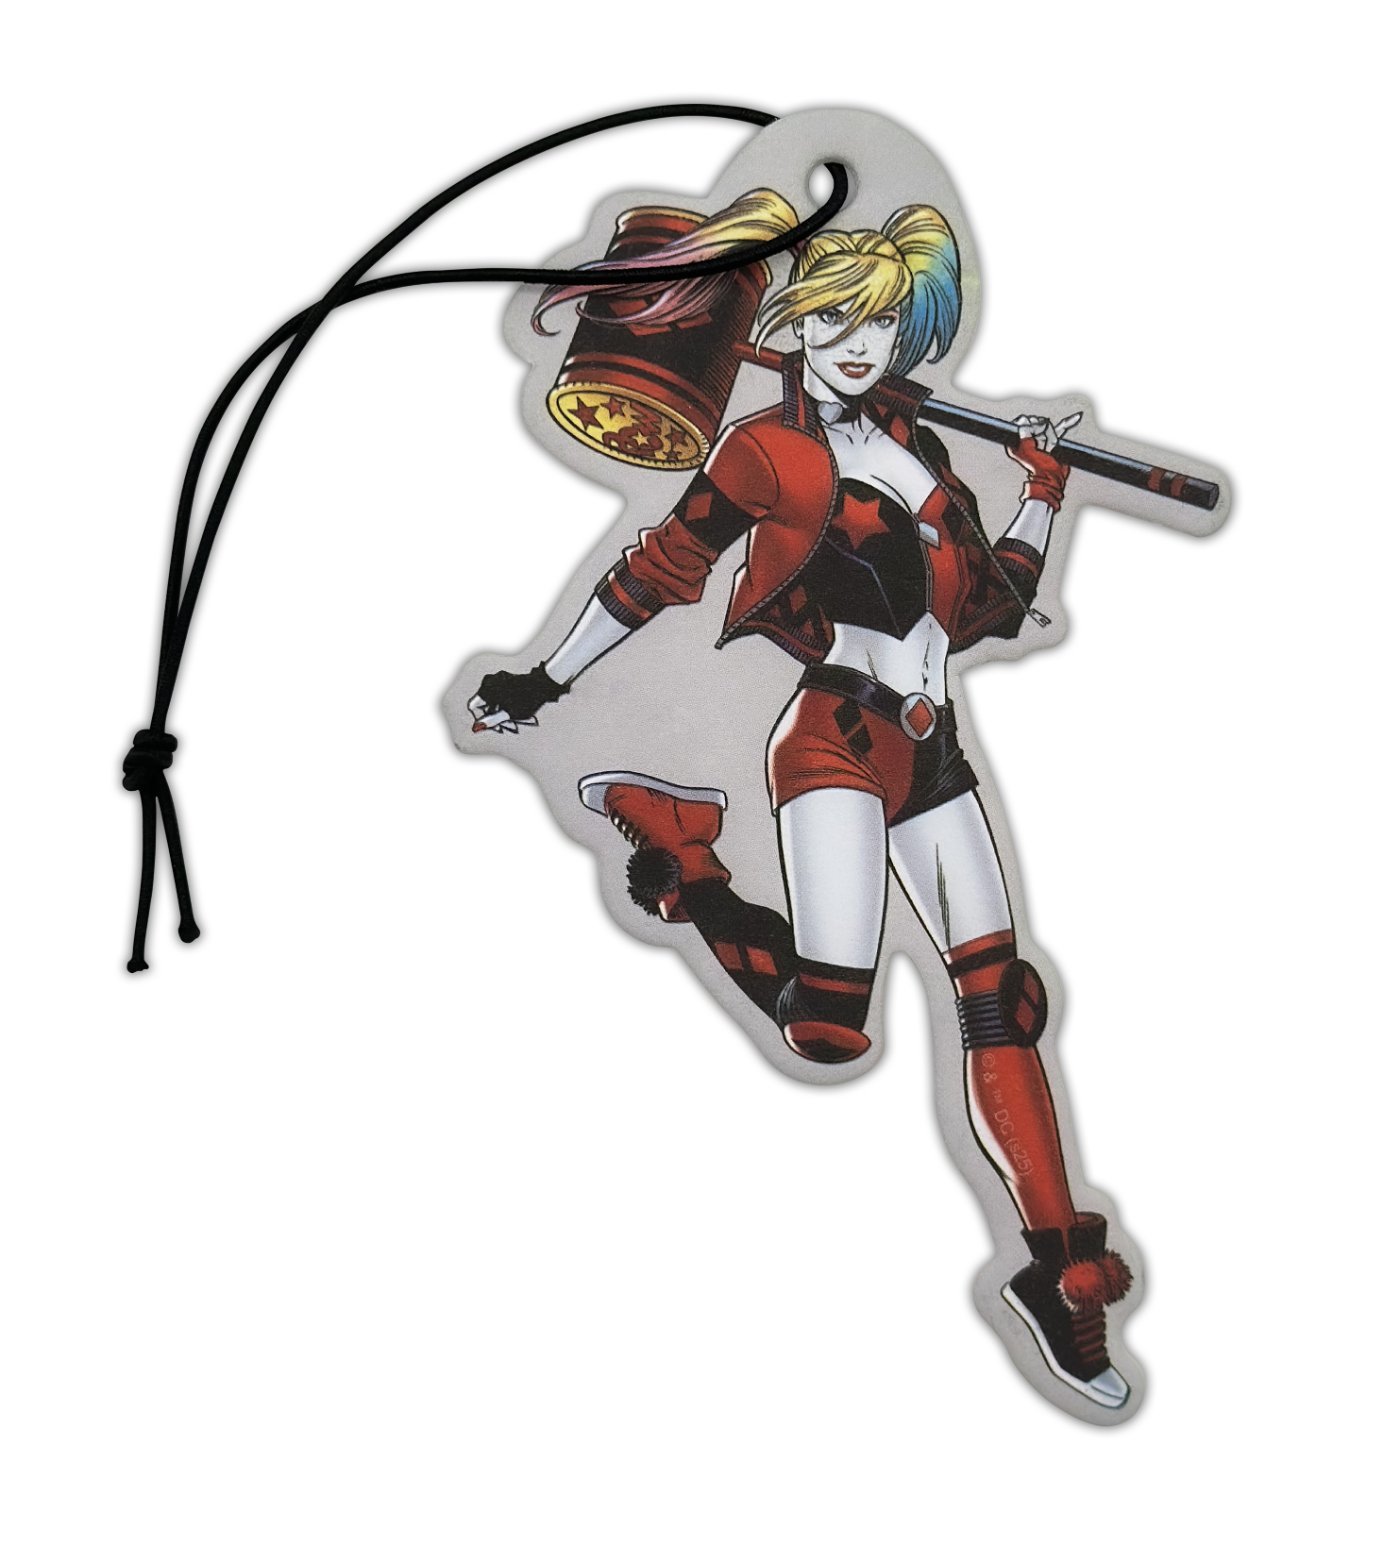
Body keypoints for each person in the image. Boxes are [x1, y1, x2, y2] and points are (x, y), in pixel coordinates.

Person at [470, 194, 1132, 1408]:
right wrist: (542, 677)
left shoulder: (922, 451)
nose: (856, 344)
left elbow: (976, 609)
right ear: (793, 324)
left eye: (877, 324)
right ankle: (685, 858)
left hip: (934, 750)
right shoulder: (763, 454)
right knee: (826, 1025)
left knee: (1002, 1001)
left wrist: (1042, 489)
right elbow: (661, 569)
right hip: (833, 738)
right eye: (832, 320)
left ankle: (1058, 1271)